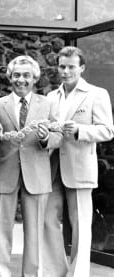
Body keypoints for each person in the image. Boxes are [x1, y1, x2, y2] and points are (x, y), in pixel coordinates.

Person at [43, 46, 114, 277]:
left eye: (71, 66)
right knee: (46, 220)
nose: (65, 71)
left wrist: (80, 131)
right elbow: (50, 132)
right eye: (62, 66)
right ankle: (56, 272)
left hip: (80, 167)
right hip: (52, 168)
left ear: (81, 68)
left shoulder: (97, 93)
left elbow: (107, 131)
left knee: (81, 225)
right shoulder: (51, 97)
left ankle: (78, 274)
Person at [0, 55, 62, 277]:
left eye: (26, 75)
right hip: (4, 172)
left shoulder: (47, 104)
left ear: (35, 78)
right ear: (10, 77)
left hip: (37, 174)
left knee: (35, 233)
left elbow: (59, 136)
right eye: (17, 75)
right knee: (1, 230)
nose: (21, 79)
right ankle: (0, 274)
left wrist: (45, 138)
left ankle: (31, 274)